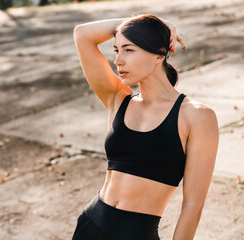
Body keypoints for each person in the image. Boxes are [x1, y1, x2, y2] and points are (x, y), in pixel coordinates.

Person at [71, 13, 219, 240]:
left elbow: (193, 206)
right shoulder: (118, 99)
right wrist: (141, 25)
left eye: (129, 50)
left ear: (160, 55)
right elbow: (82, 34)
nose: (118, 60)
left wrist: (152, 29)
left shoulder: (198, 117)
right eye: (116, 50)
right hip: (90, 226)